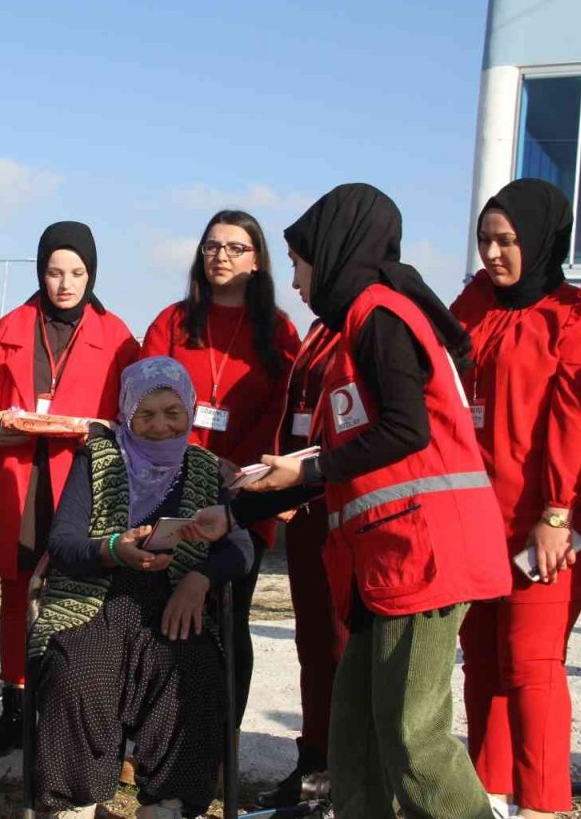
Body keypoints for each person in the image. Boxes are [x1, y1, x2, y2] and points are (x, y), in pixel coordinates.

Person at [186, 184, 512, 819]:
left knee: (414, 739)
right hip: (386, 561)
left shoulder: (379, 317)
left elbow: (405, 431)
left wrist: (311, 466)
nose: (298, 281)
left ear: (335, 253)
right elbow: (337, 459)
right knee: (355, 735)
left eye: (302, 263)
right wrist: (236, 512)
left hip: (427, 556)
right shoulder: (354, 327)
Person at [452, 178, 581, 819]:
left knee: (531, 664)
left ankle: (545, 805)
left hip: (546, 524)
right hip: (476, 521)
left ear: (542, 241)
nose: (493, 254)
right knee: (482, 664)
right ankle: (488, 795)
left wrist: (556, 515)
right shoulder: (473, 305)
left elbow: (574, 428)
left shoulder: (578, 319)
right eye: (485, 240)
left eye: (507, 241)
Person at [30, 356, 253, 819]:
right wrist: (112, 548)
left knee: (194, 672)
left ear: (190, 412)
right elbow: (64, 542)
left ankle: (167, 805)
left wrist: (199, 579)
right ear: (126, 413)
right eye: (145, 414)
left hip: (172, 602)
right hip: (95, 599)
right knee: (78, 675)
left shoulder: (205, 468)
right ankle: (75, 805)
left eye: (173, 413)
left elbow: (241, 549)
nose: (160, 426)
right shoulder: (96, 458)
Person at [0, 221, 139, 757]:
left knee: (82, 594)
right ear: (40, 270)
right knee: (17, 591)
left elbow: (132, 411)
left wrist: (105, 428)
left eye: (77, 272)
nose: (65, 283)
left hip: (83, 476)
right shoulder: (9, 327)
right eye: (54, 271)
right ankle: (15, 709)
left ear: (92, 272)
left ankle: (77, 712)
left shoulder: (118, 337)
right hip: (21, 477)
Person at [140, 209, 300, 728]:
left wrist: (242, 465)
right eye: (212, 246)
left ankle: (219, 738)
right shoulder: (171, 321)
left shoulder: (277, 330)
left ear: (257, 261)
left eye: (235, 248)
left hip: (242, 491)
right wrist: (190, 453)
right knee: (155, 612)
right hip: (168, 484)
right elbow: (146, 394)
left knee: (228, 618)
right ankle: (149, 737)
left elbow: (284, 405)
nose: (220, 257)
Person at [253, 318, 347, 810]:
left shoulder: (368, 325)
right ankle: (312, 760)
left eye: (302, 264)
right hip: (306, 499)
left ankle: (342, 768)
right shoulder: (319, 328)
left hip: (342, 500)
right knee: (311, 638)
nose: (296, 281)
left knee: (339, 641)